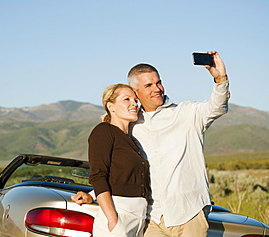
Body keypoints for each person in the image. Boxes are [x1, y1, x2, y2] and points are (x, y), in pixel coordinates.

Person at [72, 51, 230, 237]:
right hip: (150, 219)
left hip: (189, 214)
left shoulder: (187, 113)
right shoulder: (132, 125)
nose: (157, 88)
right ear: (136, 93)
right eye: (148, 85)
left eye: (158, 82)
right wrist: (93, 194)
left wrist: (221, 79)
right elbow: (121, 172)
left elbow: (216, 107)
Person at [87, 83, 150, 237]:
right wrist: (112, 219)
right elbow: (98, 175)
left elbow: (118, 177)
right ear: (111, 106)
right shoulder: (104, 131)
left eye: (135, 100)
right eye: (127, 99)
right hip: (119, 216)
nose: (134, 104)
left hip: (139, 219)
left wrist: (92, 195)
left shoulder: (133, 141)